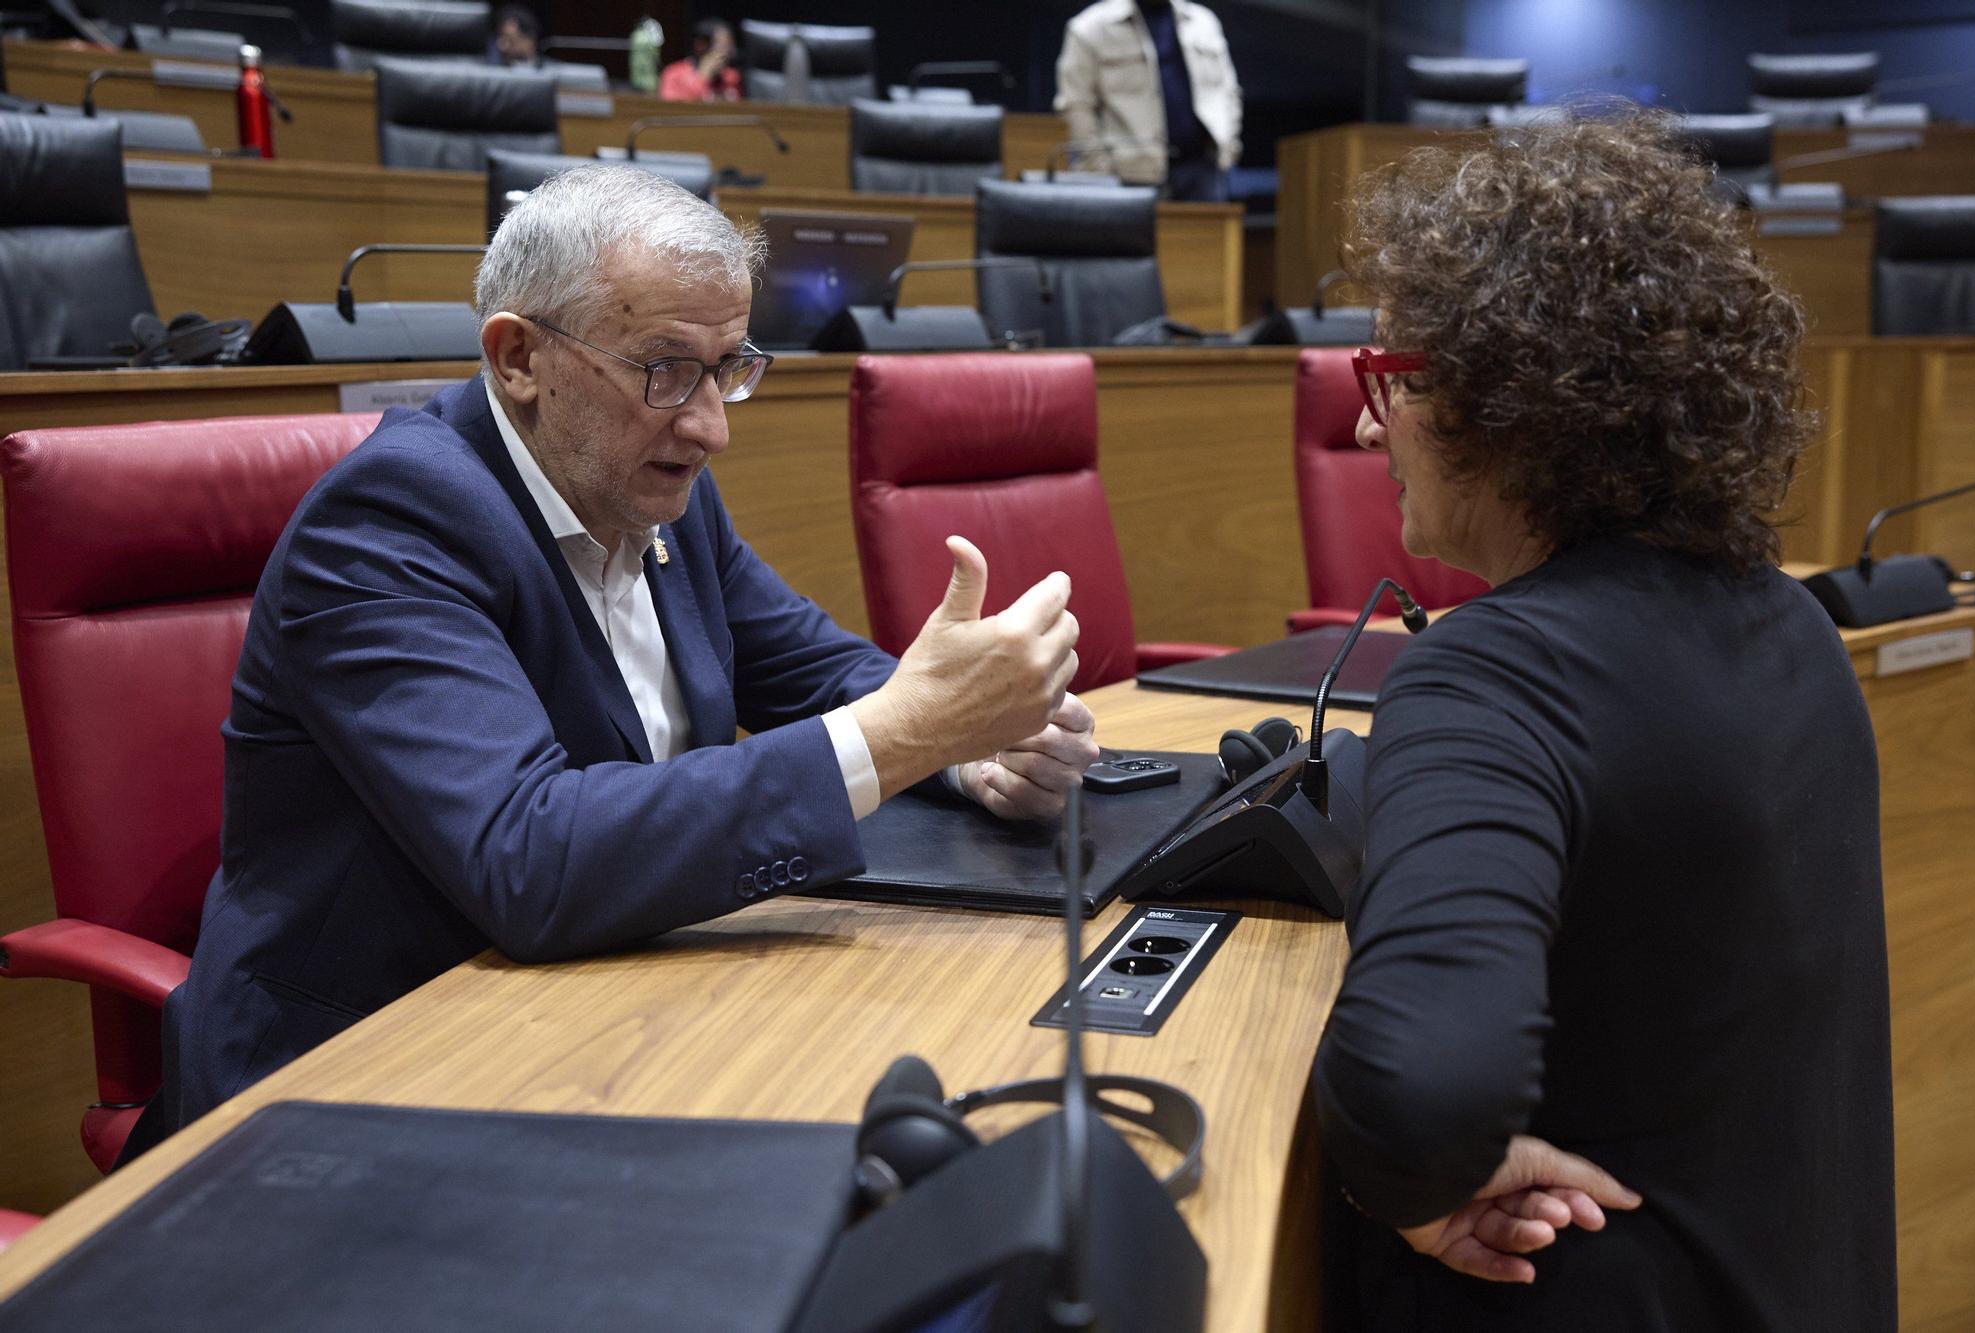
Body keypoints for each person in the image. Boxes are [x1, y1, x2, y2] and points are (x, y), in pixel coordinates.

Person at [150, 166, 1097, 1140]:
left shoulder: (658, 482)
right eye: (664, 369)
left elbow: (821, 674)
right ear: (518, 357)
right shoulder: (392, 522)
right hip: (355, 1081)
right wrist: (906, 731)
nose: (710, 426)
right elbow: (528, 855)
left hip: (598, 1017)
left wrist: (972, 741)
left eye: (727, 366)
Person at [1310, 113, 1896, 1328]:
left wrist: (1411, 1194)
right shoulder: (1793, 630)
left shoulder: (1488, 678)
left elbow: (1418, 1095)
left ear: (1502, 402)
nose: (1366, 425)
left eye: (1385, 378)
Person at [1053, 0, 1241, 202]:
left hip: (1202, 171)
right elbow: (1076, 105)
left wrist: (1227, 147)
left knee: (1209, 234)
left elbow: (1228, 92)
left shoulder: (1203, 22)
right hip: (1127, 179)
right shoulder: (1089, 28)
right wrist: (1099, 170)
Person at [659, 18, 741, 103]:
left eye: (729, 47)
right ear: (701, 45)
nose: (726, 53)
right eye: (721, 46)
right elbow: (672, 110)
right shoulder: (673, 74)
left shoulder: (732, 77)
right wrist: (703, 79)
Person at [488, 3, 539, 67]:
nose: (501, 46)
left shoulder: (551, 74)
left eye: (511, 40)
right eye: (499, 37)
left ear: (530, 42)